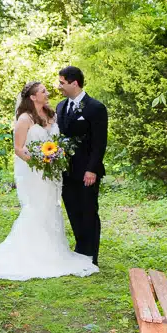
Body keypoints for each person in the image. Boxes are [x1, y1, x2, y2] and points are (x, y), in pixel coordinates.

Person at [0, 81, 99, 280]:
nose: (48, 93)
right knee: (36, 207)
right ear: (32, 97)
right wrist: (40, 161)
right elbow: (18, 148)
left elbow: (58, 141)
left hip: (52, 172)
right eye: (43, 91)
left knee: (51, 207)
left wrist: (55, 158)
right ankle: (31, 253)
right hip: (35, 172)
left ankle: (53, 252)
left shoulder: (51, 114)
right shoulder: (24, 119)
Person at [56, 66, 108, 266]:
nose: (59, 86)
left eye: (62, 83)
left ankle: (90, 256)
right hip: (65, 171)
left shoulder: (95, 108)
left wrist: (92, 169)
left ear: (74, 83)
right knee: (73, 210)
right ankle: (80, 252)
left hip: (87, 171)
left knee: (88, 212)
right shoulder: (60, 107)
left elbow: (99, 142)